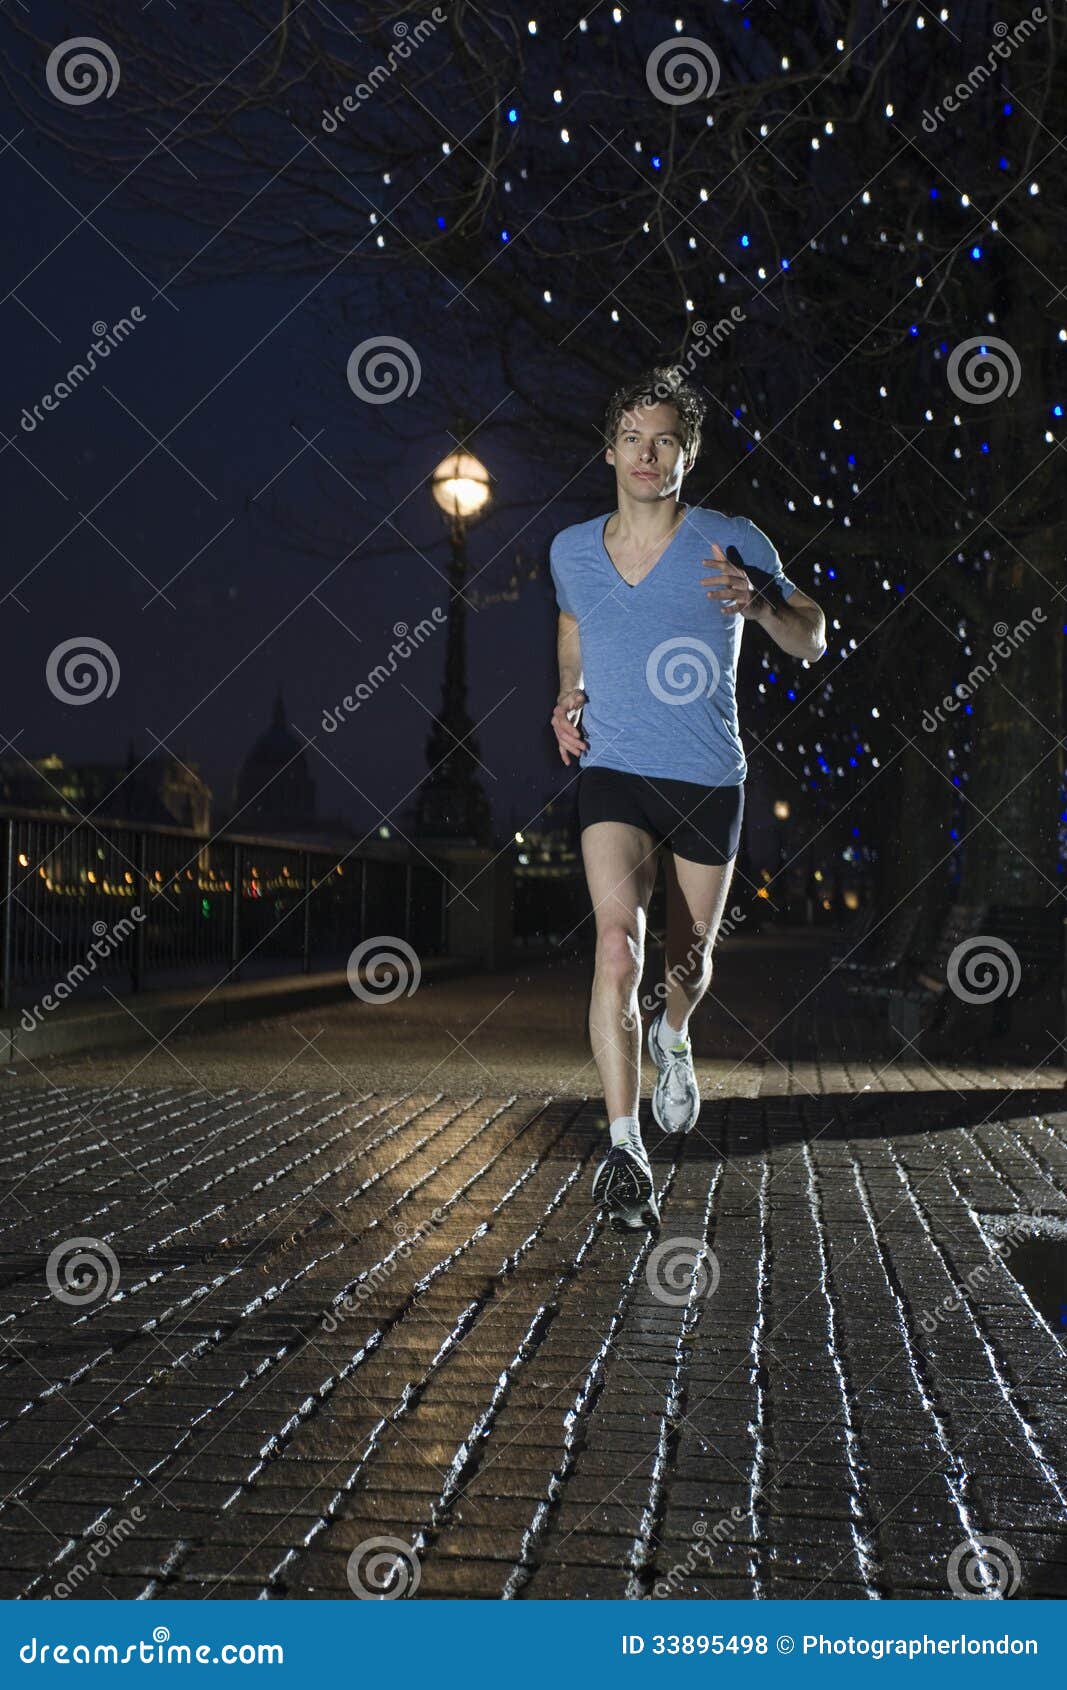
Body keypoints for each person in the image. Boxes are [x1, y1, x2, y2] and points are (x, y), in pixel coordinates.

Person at [548, 366, 826, 1231]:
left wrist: (764, 603)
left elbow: (812, 637)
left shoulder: (729, 539)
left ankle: (674, 1037)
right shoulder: (569, 549)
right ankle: (624, 1147)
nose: (646, 453)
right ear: (608, 451)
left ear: (686, 455)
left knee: (687, 966)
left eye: (664, 440)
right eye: (631, 438)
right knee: (615, 949)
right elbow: (572, 622)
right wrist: (566, 694)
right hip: (614, 769)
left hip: (706, 776)